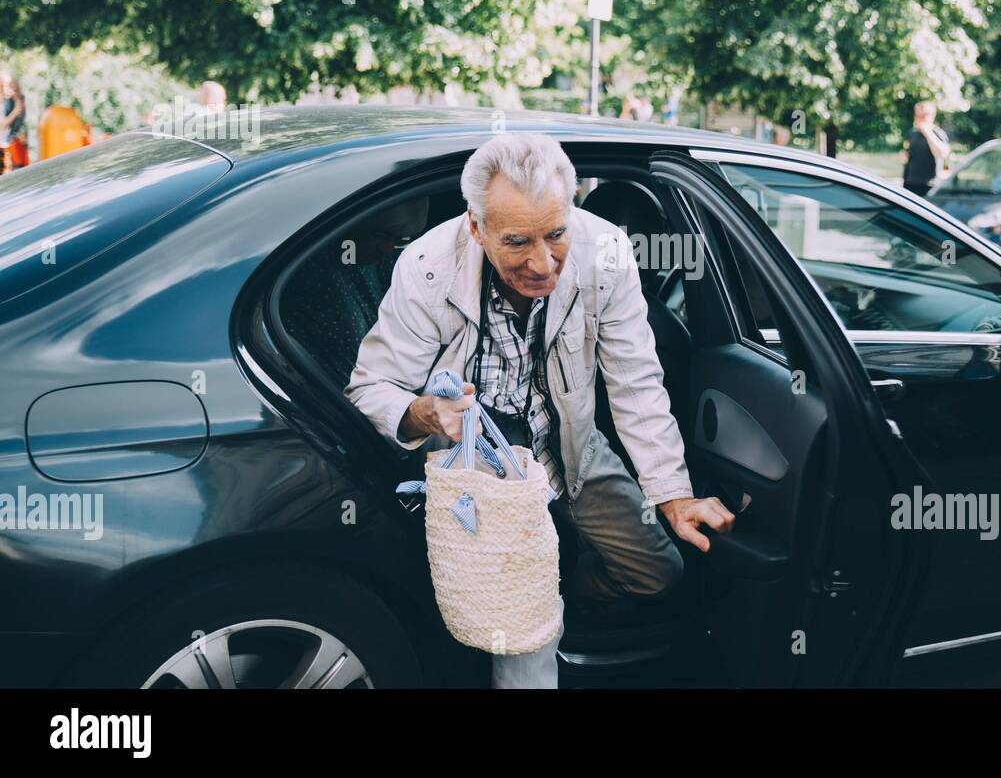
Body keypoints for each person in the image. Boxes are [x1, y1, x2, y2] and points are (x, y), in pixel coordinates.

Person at [346, 133, 734, 688]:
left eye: (556, 233)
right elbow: (371, 387)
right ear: (477, 229)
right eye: (517, 241)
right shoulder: (427, 265)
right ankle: (527, 609)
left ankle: (560, 588)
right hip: (482, 475)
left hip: (570, 449)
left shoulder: (607, 253)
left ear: (573, 204)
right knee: (522, 644)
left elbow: (635, 383)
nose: (542, 262)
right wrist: (427, 414)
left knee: (658, 572)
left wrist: (672, 493)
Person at [281, 198, 429, 388]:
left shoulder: (382, 262)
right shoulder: (317, 278)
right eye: (380, 235)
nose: (387, 249)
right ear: (355, 224)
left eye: (398, 240)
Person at [901, 101, 950, 197]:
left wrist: (927, 131)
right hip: (910, 183)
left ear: (932, 116)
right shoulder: (912, 133)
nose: (919, 119)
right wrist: (904, 158)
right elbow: (908, 154)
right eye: (917, 115)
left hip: (929, 186)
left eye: (923, 116)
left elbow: (941, 154)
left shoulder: (938, 133)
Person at [0, 74, 28, 173]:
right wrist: (17, 108)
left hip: (7, 146)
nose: (10, 90)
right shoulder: (4, 103)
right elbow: (3, 125)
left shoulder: (8, 101)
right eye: (7, 86)